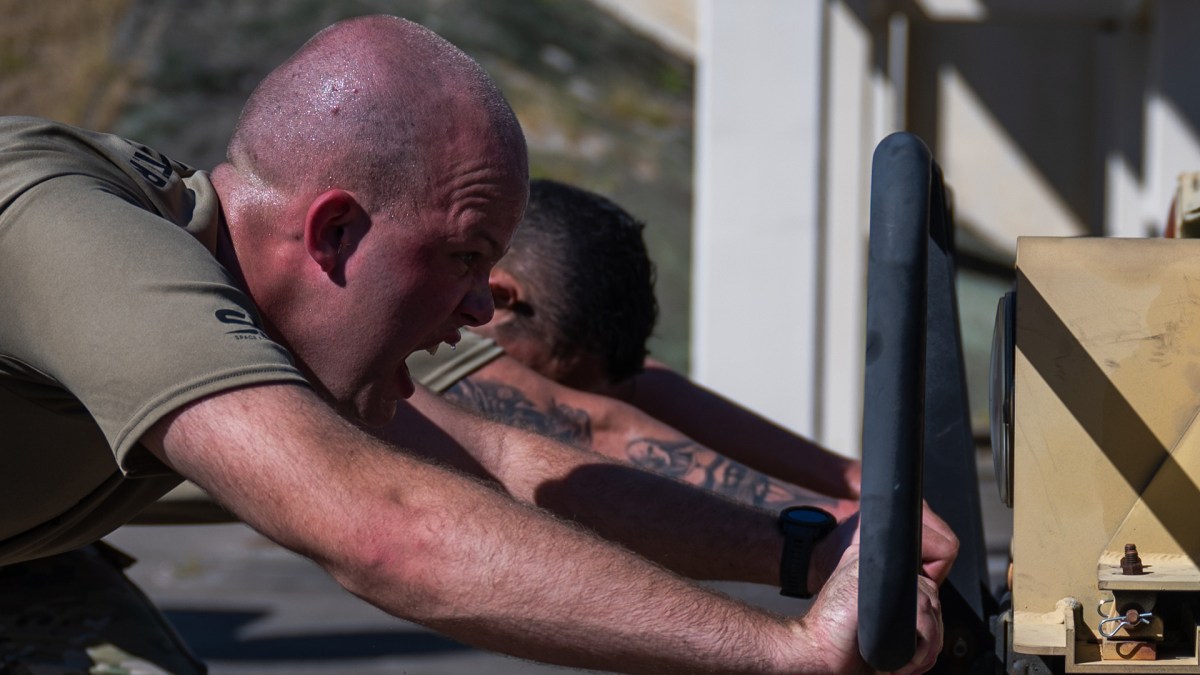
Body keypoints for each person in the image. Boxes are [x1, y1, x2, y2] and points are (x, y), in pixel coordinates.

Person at [0, 15, 951, 674]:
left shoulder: (283, 318)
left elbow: (515, 455)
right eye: (462, 256)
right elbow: (382, 527)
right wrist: (784, 652)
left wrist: (823, 540)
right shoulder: (75, 237)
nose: (475, 307)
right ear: (334, 232)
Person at [407, 178, 861, 513]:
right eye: (551, 383)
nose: (563, 396)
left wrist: (854, 484)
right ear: (501, 299)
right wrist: (845, 527)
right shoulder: (407, 320)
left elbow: (639, 391)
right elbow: (589, 428)